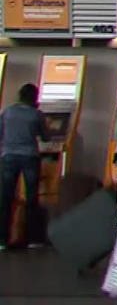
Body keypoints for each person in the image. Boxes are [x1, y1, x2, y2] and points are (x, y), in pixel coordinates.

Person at [0, 84, 47, 251]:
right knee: (31, 198)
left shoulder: (7, 112)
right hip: (30, 157)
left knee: (5, 198)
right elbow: (46, 137)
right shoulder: (36, 114)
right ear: (34, 98)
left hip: (8, 157)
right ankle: (33, 239)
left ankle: (2, 240)